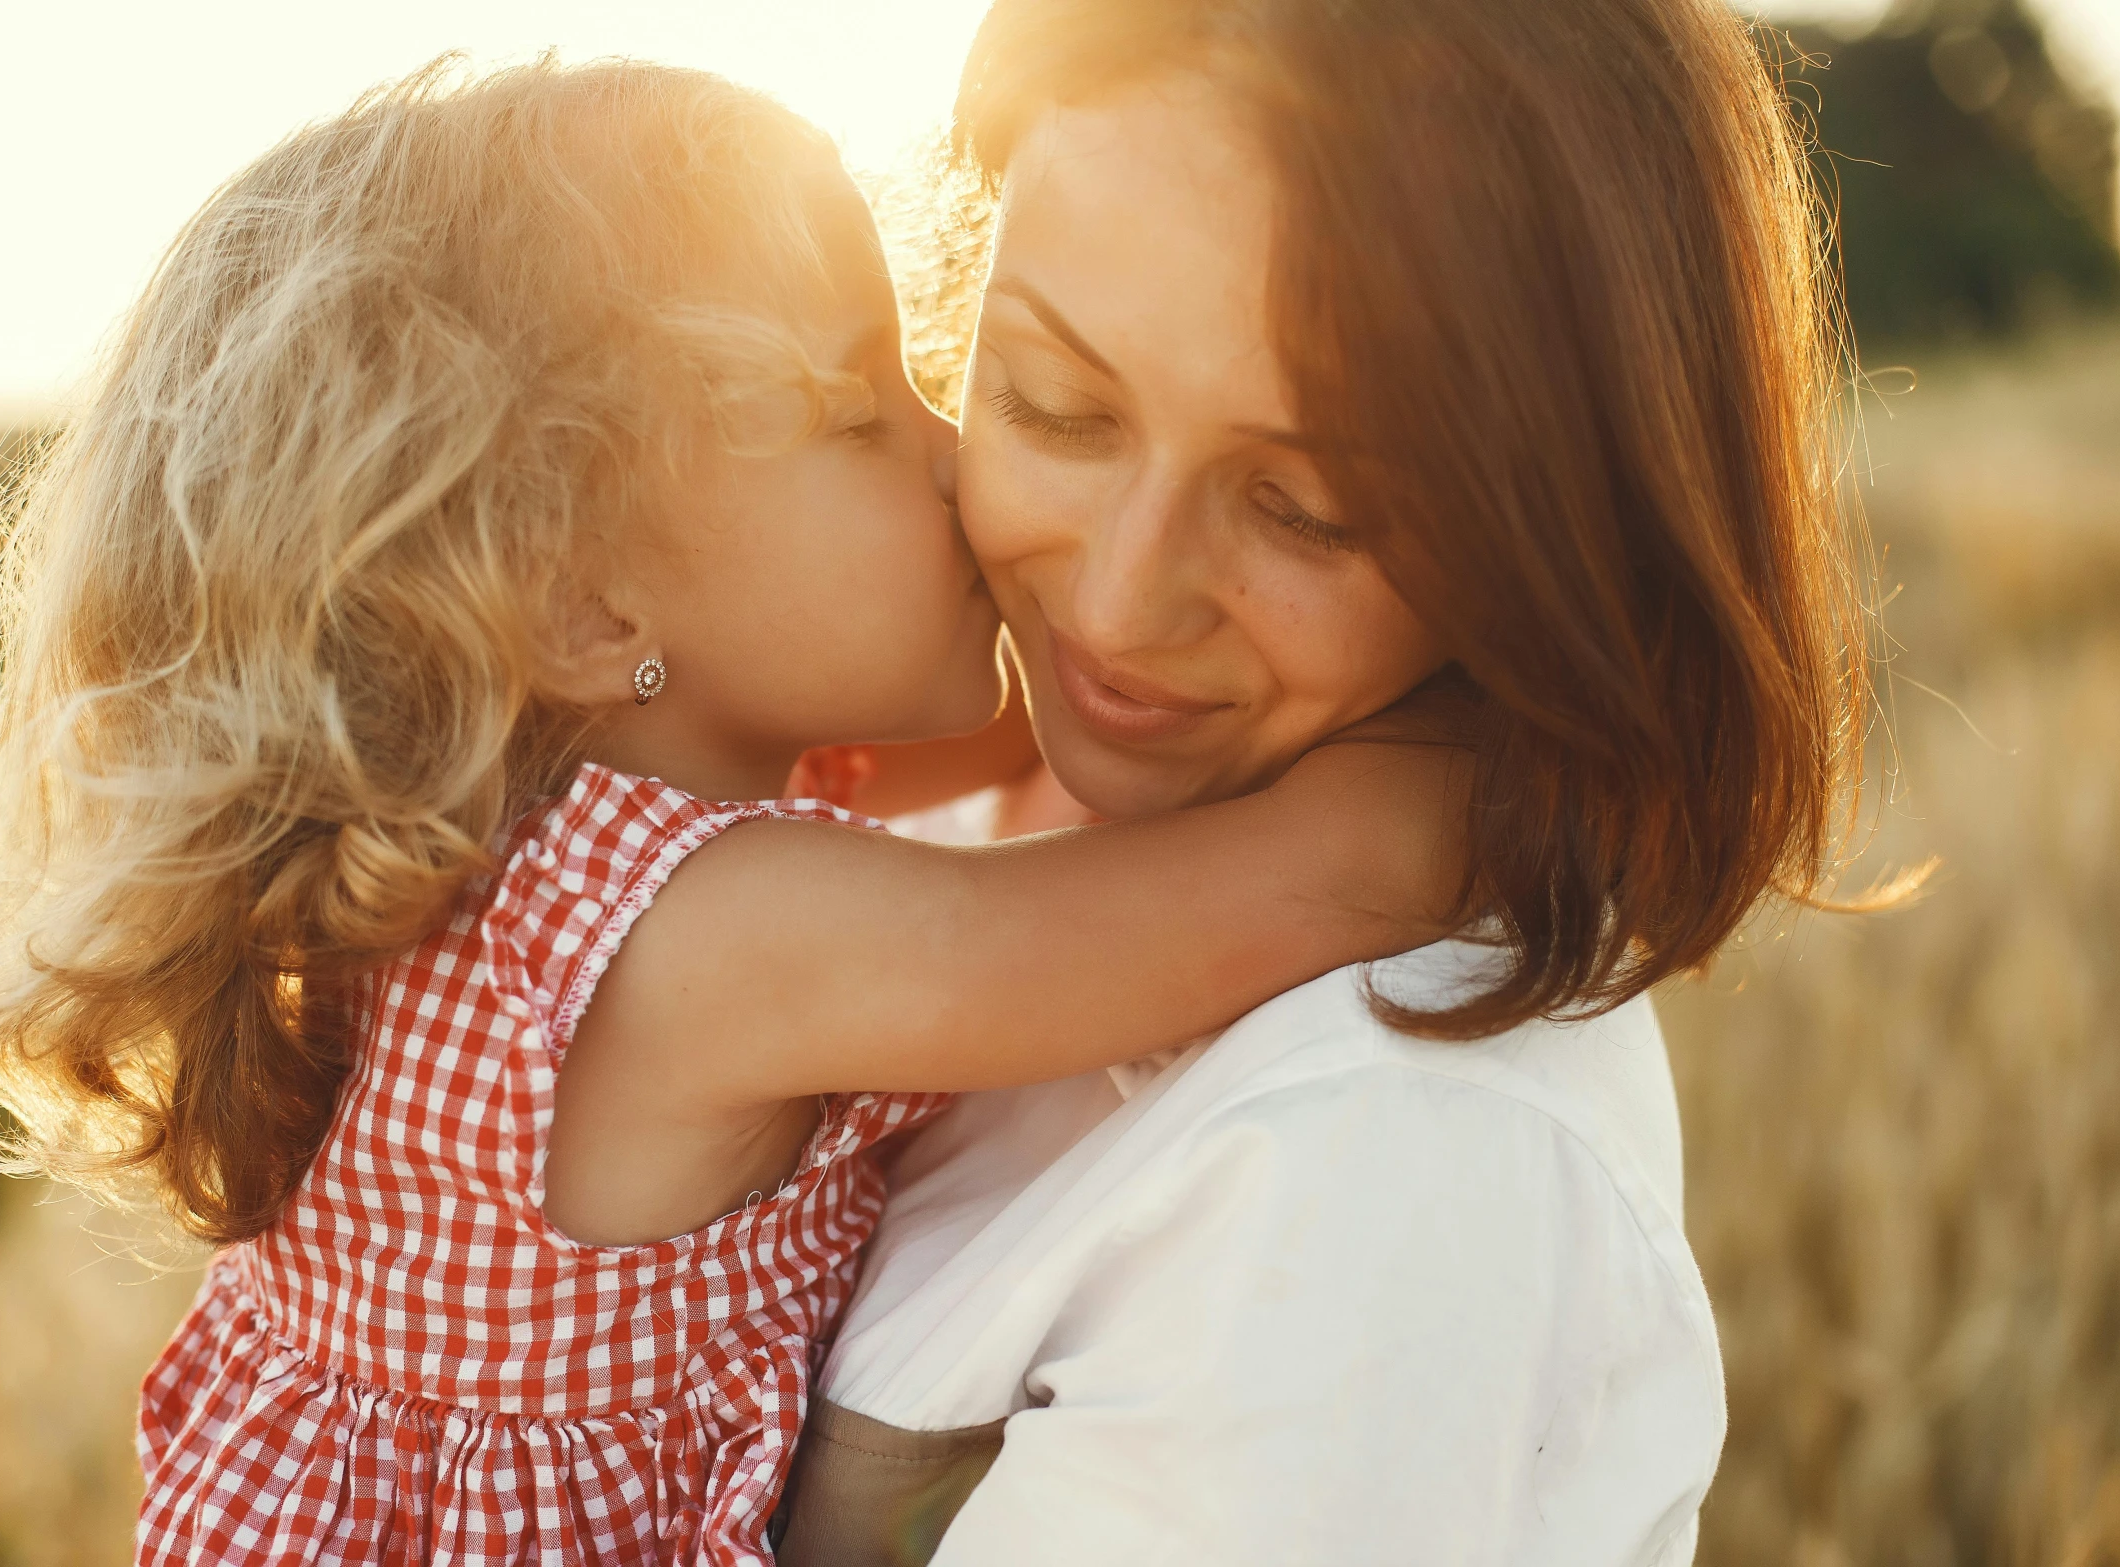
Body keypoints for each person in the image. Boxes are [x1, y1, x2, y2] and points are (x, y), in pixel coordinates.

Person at [0, 55, 1465, 1565]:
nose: (954, 455)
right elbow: (1307, 886)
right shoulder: (713, 940)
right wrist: (1542, 694)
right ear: (587, 609)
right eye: (854, 415)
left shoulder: (508, 820)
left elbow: (1019, 746)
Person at [777, 0, 1876, 1561]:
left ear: (1559, 525)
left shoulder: (1390, 1174)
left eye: (1305, 506)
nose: (1113, 602)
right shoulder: (973, 802)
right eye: (1052, 405)